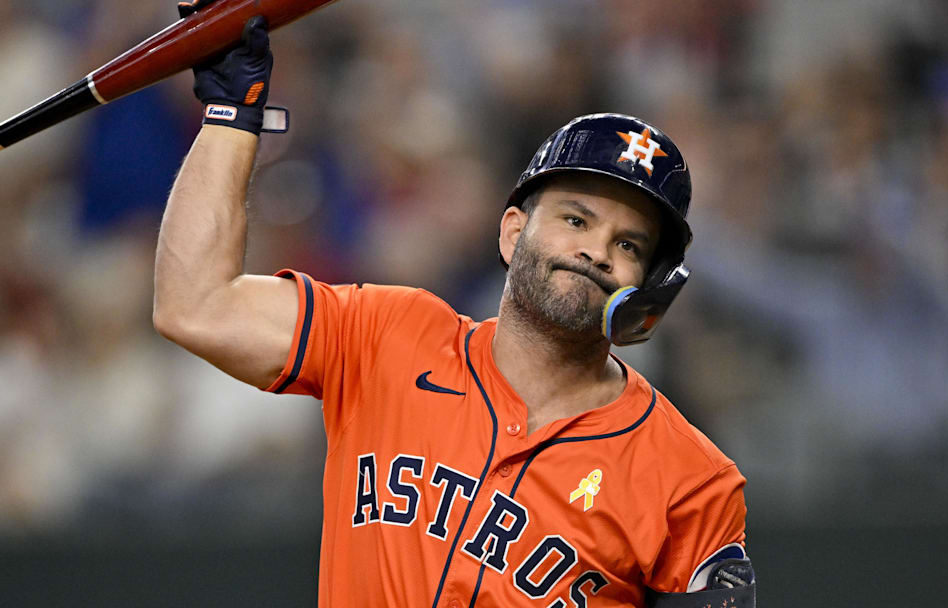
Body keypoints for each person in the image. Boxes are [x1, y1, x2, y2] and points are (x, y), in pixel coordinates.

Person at [152, 14, 753, 608]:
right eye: (576, 220)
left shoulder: (690, 480)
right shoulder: (386, 334)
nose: (597, 251)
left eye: (629, 246)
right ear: (513, 232)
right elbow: (196, 305)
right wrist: (230, 118)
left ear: (648, 286)